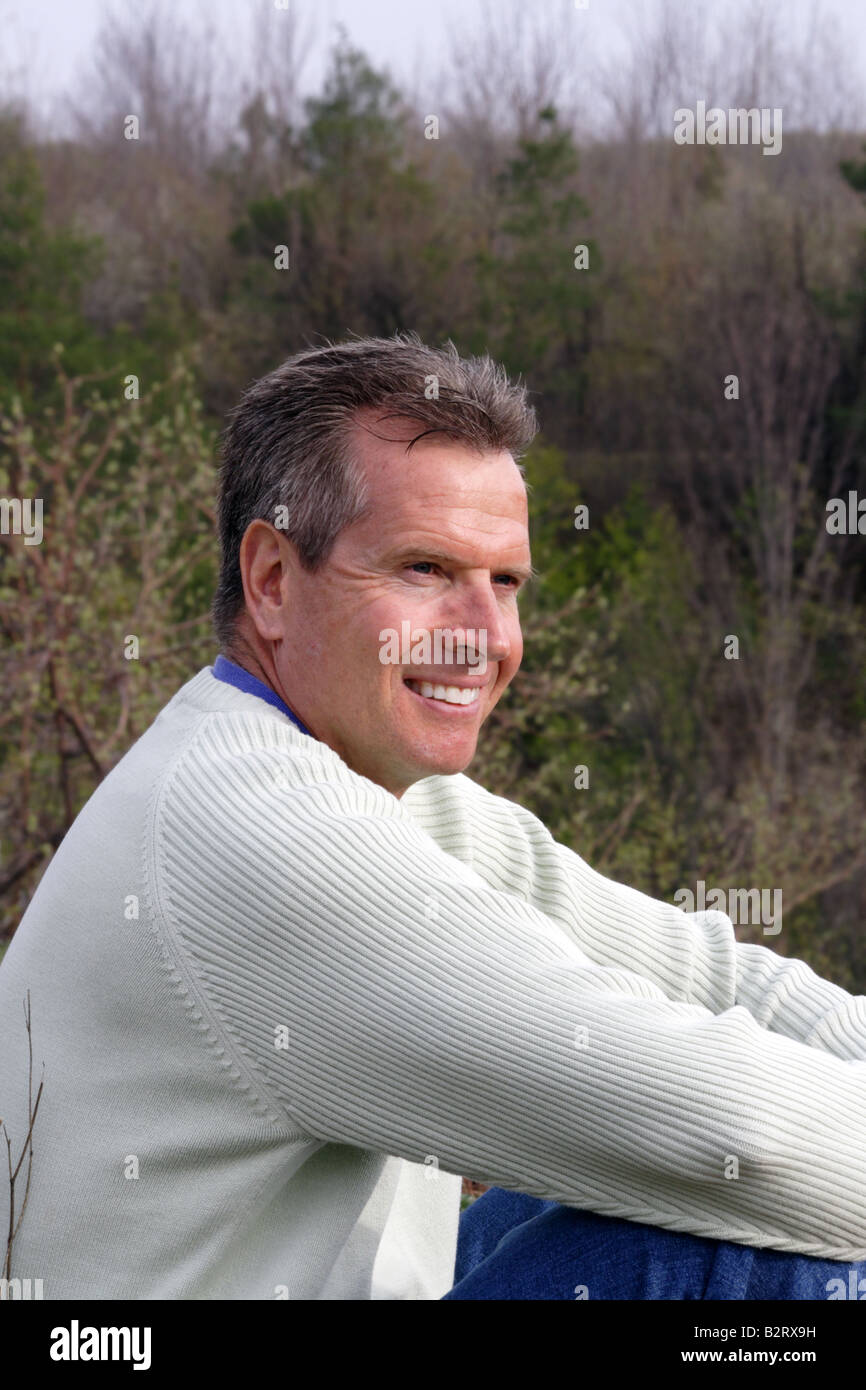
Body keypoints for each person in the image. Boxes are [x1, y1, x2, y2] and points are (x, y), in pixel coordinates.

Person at [1, 332, 864, 1301]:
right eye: (423, 570)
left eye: (504, 582)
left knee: (653, 1199)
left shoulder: (386, 793)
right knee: (739, 1247)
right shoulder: (265, 838)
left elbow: (708, 979)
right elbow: (732, 1134)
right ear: (272, 580)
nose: (486, 637)